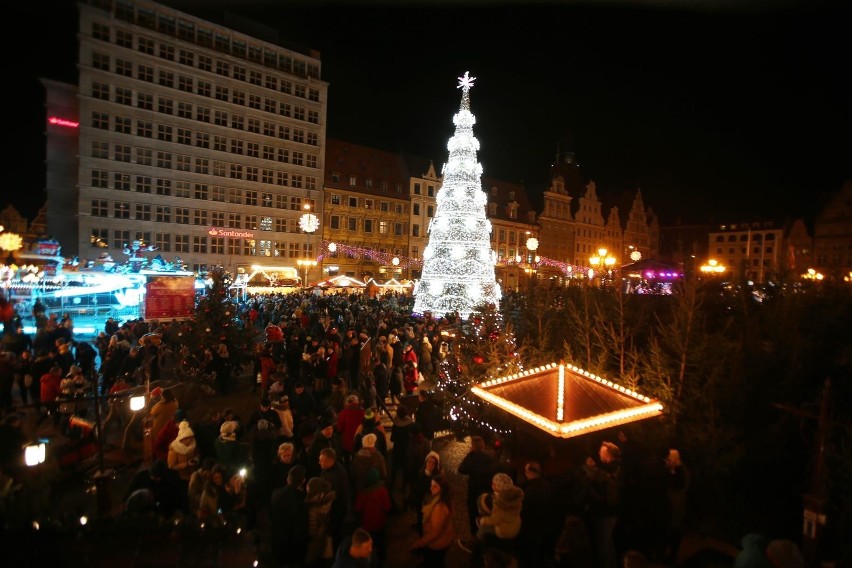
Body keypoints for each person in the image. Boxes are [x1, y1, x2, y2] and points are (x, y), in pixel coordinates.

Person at [583, 441, 624, 568]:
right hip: (611, 511)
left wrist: (588, 467)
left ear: (608, 455)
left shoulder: (610, 470)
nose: (599, 453)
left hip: (607, 512)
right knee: (608, 541)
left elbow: (599, 480)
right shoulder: (616, 468)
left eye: (601, 451)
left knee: (604, 543)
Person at [517, 459, 558, 568]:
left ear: (530, 472)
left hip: (530, 528)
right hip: (545, 527)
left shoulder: (527, 490)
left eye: (525, 471)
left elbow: (524, 509)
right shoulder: (548, 486)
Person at [410, 474, 456, 568]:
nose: (431, 488)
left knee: (433, 561)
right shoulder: (444, 498)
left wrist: (420, 542)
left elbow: (436, 532)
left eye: (435, 486)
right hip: (444, 539)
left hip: (438, 544)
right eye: (431, 485)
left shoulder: (439, 507)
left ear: (442, 489)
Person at [458, 434, 498, 536]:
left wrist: (469, 454)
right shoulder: (491, 458)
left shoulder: (473, 459)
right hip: (488, 493)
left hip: (474, 494)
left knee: (474, 517)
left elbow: (461, 469)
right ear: (483, 445)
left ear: (473, 447)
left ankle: (475, 537)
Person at [270, 464, 310, 568]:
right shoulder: (301, 499)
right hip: (293, 545)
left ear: (288, 479)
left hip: (278, 540)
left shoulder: (276, 493)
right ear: (303, 480)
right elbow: (301, 525)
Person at [353, 468, 390, 567]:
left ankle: (369, 562)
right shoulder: (383, 491)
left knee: (369, 547)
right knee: (381, 544)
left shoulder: (362, 493)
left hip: (367, 526)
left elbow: (357, 509)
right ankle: (382, 561)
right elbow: (387, 507)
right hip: (380, 524)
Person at [305, 476, 336, 567]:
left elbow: (312, 529)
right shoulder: (331, 500)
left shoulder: (313, 509)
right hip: (327, 536)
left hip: (316, 540)